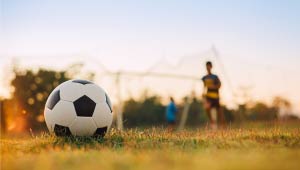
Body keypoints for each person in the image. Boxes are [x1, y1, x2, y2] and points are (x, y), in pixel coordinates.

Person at [202, 61, 225, 129]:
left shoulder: (215, 77)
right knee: (207, 108)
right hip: (208, 96)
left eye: (209, 66)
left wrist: (214, 87)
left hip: (215, 96)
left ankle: (223, 126)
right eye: (207, 66)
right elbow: (204, 86)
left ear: (211, 67)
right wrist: (203, 93)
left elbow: (219, 85)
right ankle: (212, 121)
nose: (208, 67)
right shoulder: (204, 77)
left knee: (219, 112)